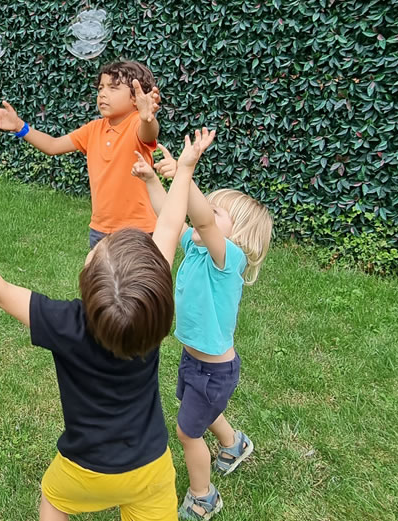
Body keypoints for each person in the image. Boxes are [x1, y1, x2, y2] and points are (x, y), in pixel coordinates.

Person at [0, 130, 214, 521]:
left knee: (54, 501)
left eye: (97, 251)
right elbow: (173, 222)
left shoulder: (67, 323)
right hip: (150, 467)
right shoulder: (150, 310)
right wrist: (187, 166)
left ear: (87, 281)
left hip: (84, 469)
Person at [132, 133, 273, 520]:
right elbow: (172, 214)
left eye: (214, 211)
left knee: (187, 432)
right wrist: (152, 181)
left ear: (238, 233)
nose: (203, 212)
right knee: (200, 411)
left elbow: (202, 218)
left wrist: (186, 171)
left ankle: (203, 496)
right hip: (194, 358)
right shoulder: (196, 245)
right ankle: (234, 443)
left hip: (214, 370)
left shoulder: (228, 258)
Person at [0, 61, 161, 248]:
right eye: (100, 88)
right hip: (100, 229)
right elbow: (53, 146)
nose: (102, 93)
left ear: (136, 98)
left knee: (135, 278)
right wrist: (20, 127)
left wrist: (147, 117)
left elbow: (149, 133)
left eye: (113, 88)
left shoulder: (137, 124)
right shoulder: (93, 129)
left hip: (138, 230)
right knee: (99, 278)